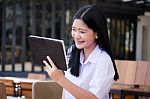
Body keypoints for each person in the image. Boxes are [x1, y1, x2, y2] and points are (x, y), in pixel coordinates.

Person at [43, 4, 119, 99]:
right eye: (74, 30)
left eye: (82, 31)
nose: (76, 36)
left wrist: (60, 78)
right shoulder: (72, 51)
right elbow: (66, 91)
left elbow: (93, 98)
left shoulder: (103, 60)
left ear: (96, 33)